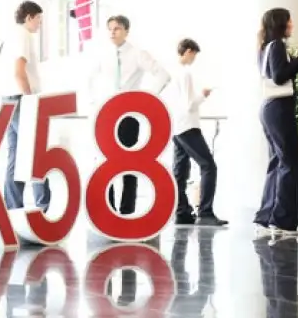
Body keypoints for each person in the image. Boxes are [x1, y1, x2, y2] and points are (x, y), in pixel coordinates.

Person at [88, 15, 170, 216]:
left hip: (129, 115)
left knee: (129, 162)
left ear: (126, 31)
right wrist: (93, 101)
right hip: (107, 114)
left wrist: (146, 100)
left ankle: (127, 210)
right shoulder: (103, 55)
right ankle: (107, 208)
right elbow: (89, 79)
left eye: (117, 28)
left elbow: (163, 75)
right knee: (105, 162)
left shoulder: (138, 54)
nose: (112, 32)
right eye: (110, 29)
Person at [164, 39, 226, 227]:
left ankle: (182, 212)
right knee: (208, 166)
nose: (194, 59)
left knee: (180, 171)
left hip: (175, 127)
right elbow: (190, 105)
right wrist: (203, 95)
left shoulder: (171, 73)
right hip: (188, 126)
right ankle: (205, 213)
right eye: (194, 55)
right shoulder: (185, 74)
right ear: (188, 51)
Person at [255, 8, 298, 236]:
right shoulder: (276, 45)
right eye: (289, 20)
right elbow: (279, 76)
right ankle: (284, 222)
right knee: (288, 163)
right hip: (279, 109)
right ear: (281, 23)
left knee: (277, 163)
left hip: (269, 108)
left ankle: (266, 218)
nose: (292, 24)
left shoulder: (265, 47)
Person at [0, 1, 48, 211]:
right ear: (28, 17)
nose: (39, 25)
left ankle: (13, 208)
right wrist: (30, 98)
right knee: (36, 152)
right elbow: (19, 72)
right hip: (20, 99)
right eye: (38, 19)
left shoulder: (9, 36)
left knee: (15, 154)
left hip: (7, 99)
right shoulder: (23, 36)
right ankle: (43, 206)